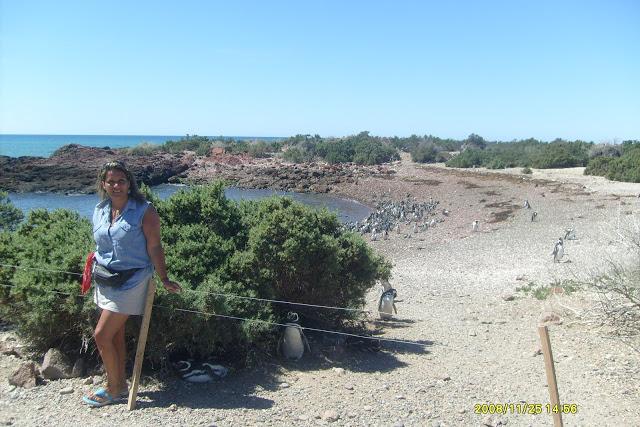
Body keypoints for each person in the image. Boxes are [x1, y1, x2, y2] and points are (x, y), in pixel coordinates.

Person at [83, 160, 181, 407]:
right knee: (114, 335)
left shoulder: (144, 210)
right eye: (111, 181)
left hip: (133, 280)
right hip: (105, 278)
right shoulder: (100, 209)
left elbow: (155, 246)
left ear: (129, 184)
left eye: (121, 181)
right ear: (103, 184)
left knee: (101, 335)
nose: (116, 185)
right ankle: (120, 384)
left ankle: (113, 388)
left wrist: (164, 277)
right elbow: (100, 244)